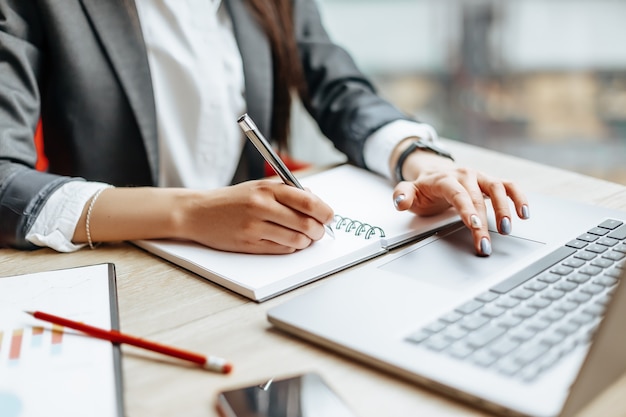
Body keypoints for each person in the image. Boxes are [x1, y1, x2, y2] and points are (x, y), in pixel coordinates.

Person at [0, 0, 528, 257]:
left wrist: (421, 160)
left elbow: (341, 89)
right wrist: (189, 213)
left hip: (261, 264)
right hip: (125, 267)